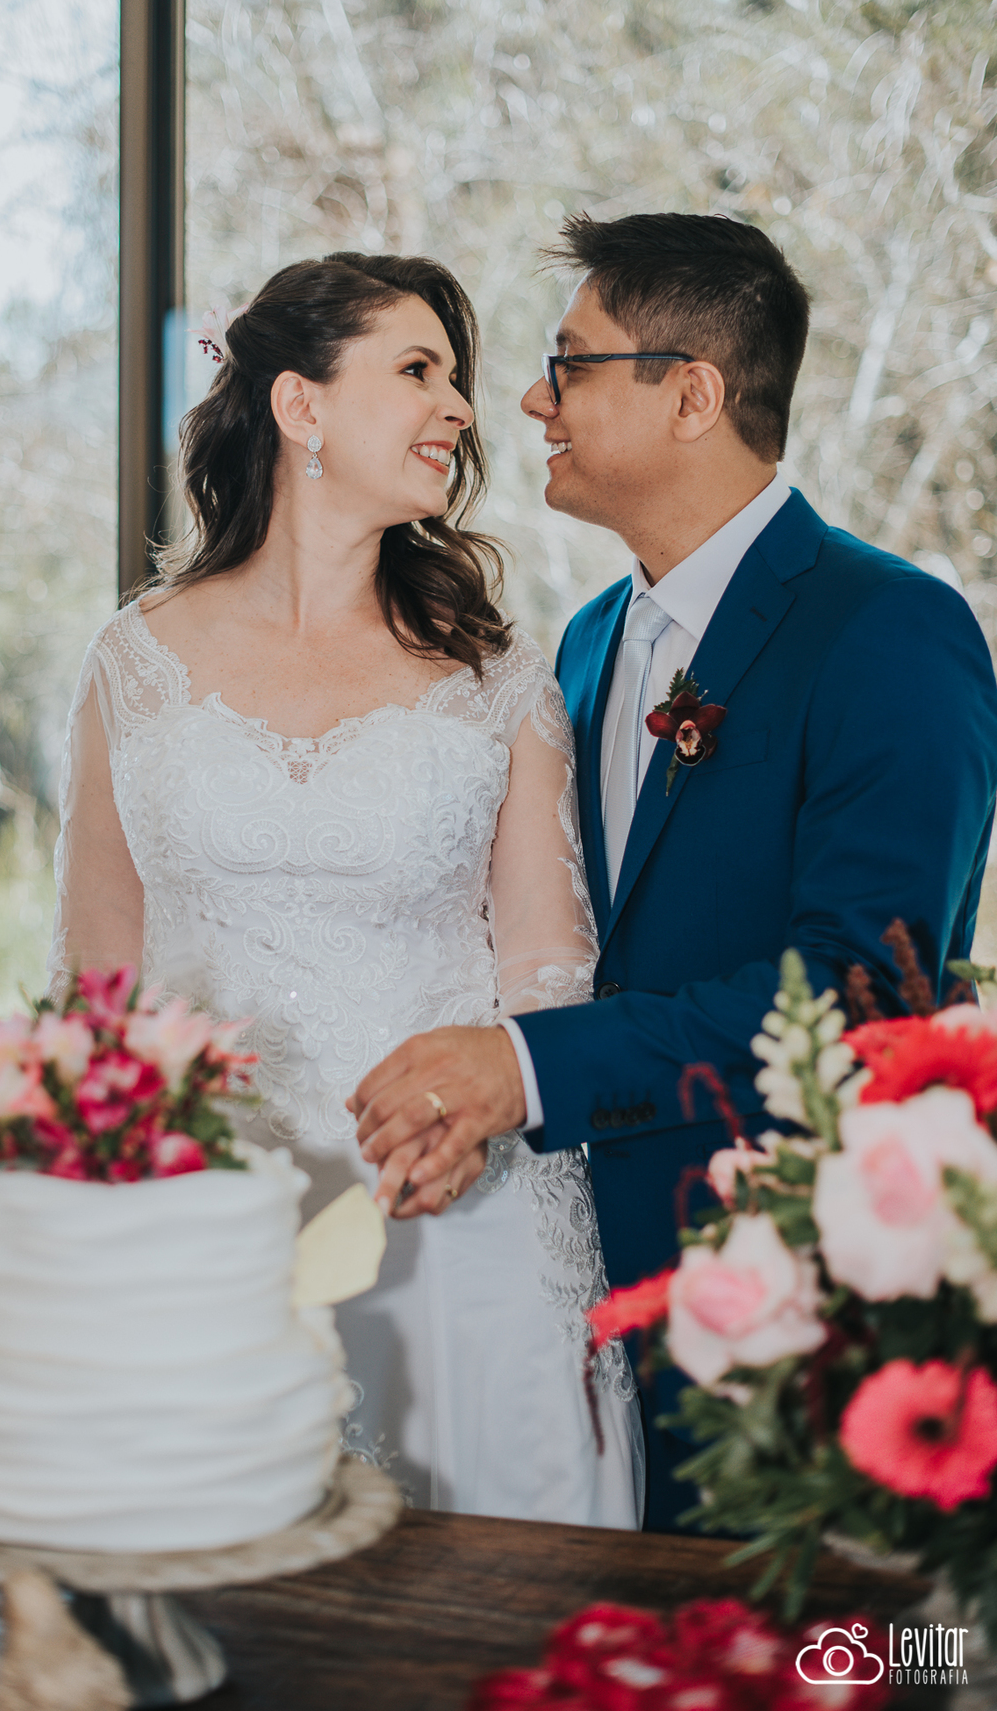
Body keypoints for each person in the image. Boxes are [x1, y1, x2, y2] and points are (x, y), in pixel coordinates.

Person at [350, 212, 997, 1530]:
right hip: (573, 1306)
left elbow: (866, 995)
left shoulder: (889, 630)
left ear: (692, 391)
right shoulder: (584, 645)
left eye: (570, 364)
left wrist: (527, 1069)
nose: (529, 399)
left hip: (781, 1317)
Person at [49, 252, 643, 1526]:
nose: (463, 409)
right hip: (214, 1228)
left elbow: (549, 961)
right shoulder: (134, 663)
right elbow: (92, 984)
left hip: (456, 1220)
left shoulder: (495, 673)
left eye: (458, 379)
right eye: (418, 370)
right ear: (300, 406)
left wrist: (481, 1106)